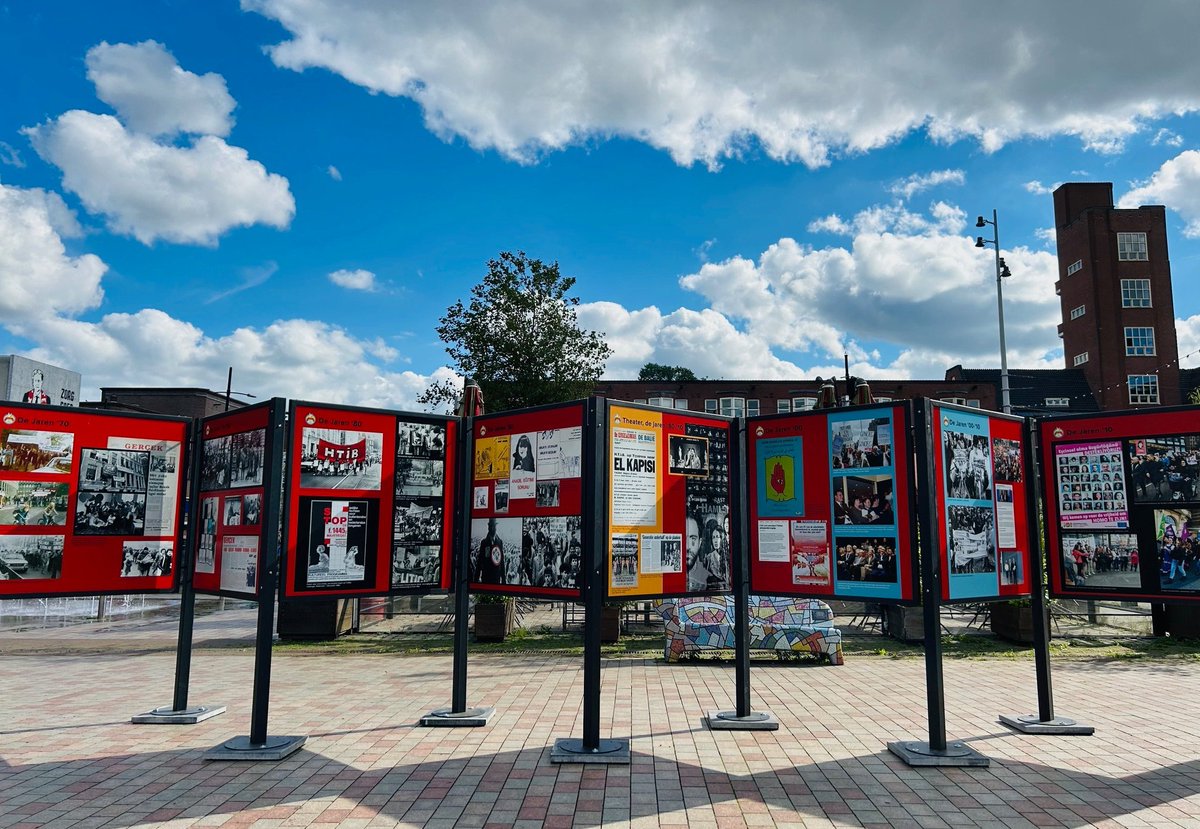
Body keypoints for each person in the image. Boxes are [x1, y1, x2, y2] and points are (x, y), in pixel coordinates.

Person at [475, 517, 505, 583]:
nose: (492, 529)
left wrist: (503, 580)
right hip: (486, 577)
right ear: (488, 527)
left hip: (496, 577)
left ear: (496, 527)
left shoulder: (500, 542)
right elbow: (480, 561)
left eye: (493, 526)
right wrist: (476, 579)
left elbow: (501, 561)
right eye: (490, 526)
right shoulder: (484, 543)